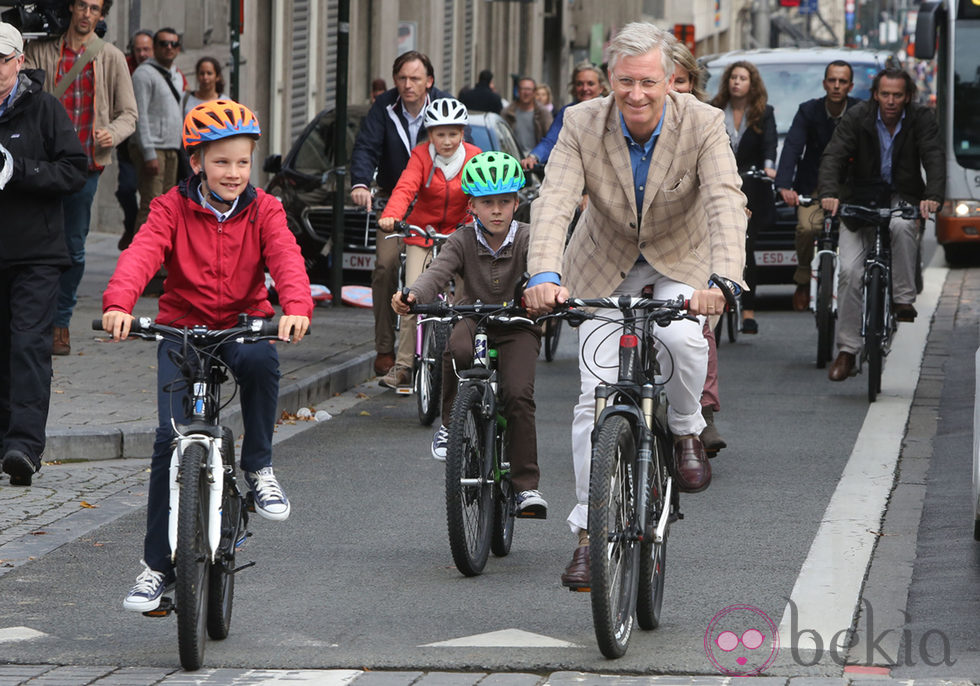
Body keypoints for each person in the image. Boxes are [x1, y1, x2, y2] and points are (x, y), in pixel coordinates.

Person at [522, 22, 747, 589]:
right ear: (610, 79)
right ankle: (588, 536)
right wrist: (544, 274)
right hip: (603, 261)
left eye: (649, 82)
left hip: (683, 259)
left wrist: (724, 281)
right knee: (590, 398)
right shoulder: (581, 122)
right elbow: (553, 200)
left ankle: (688, 427)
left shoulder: (703, 122)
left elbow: (724, 199)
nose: (637, 95)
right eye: (625, 82)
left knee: (679, 338)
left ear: (669, 78)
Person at [100, 99, 313, 611]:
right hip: (181, 329)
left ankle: (259, 468)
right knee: (166, 440)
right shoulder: (171, 207)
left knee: (263, 360)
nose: (233, 172)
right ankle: (155, 568)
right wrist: (118, 304)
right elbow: (142, 253)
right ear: (196, 162)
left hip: (242, 324)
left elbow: (286, 256)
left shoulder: (266, 209)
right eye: (221, 162)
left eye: (242, 162)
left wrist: (296, 307)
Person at [392, 152, 546, 515]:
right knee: (454, 350)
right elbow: (437, 273)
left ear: (516, 203)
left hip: (518, 325)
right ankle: (450, 424)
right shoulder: (461, 239)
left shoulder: (529, 238)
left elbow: (547, 270)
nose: (496, 210)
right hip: (472, 318)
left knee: (518, 394)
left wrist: (551, 294)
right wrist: (413, 295)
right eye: (487, 203)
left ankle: (526, 487)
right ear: (472, 205)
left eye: (504, 202)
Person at [0, 22, 88, 486]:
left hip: (36, 253)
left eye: (2, 60)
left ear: (19, 61)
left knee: (28, 347)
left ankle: (24, 447)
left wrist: (21, 170)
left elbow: (75, 170)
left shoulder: (45, 108)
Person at [24, 0, 137, 356]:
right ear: (71, 8)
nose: (87, 14)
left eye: (95, 9)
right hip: (40, 164)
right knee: (30, 244)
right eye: (83, 6)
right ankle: (32, 321)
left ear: (102, 15)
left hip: (84, 167)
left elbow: (129, 113)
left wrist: (112, 133)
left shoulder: (111, 57)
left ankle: (60, 322)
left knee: (72, 247)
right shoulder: (39, 51)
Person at [819, 67, 945, 382]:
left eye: (897, 96)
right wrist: (830, 194)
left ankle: (903, 299)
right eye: (885, 94)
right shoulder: (858, 117)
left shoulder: (921, 119)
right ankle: (847, 350)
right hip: (859, 199)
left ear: (907, 97)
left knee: (903, 227)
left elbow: (933, 156)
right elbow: (834, 155)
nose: (890, 101)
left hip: (902, 194)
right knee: (848, 271)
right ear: (876, 94)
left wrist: (932, 196)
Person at [349, 51, 451, 378]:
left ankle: (464, 343)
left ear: (429, 82)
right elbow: (366, 147)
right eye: (402, 79)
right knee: (385, 265)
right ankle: (384, 347)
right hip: (396, 203)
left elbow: (465, 154)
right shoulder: (384, 108)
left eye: (415, 79)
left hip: (439, 207)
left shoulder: (445, 108)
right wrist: (361, 183)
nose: (408, 85)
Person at [375, 98, 481, 389]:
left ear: (462, 133)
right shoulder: (421, 156)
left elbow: (481, 194)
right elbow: (406, 186)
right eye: (439, 133)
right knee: (411, 298)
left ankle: (464, 360)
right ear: (429, 134)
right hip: (423, 232)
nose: (446, 141)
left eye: (453, 133)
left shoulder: (474, 157)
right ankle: (404, 365)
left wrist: (477, 222)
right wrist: (392, 216)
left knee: (466, 301)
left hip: (462, 234)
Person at [669, 40, 726, 457]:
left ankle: (702, 414)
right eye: (663, 80)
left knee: (696, 329)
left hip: (694, 244)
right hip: (637, 251)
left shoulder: (707, 124)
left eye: (681, 81)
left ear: (693, 84)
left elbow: (724, 196)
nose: (672, 89)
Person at [775, 60, 860, 312]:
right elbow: (792, 147)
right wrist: (783, 185)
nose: (836, 86)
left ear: (850, 85)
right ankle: (803, 281)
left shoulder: (859, 111)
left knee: (855, 234)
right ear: (824, 83)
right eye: (832, 80)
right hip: (812, 186)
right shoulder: (808, 111)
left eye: (842, 81)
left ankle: (854, 284)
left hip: (850, 188)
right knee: (806, 228)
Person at [710, 60, 776, 335]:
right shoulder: (714, 110)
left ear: (752, 84)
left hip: (752, 188)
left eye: (743, 78)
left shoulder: (763, 112)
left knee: (747, 247)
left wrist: (770, 165)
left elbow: (770, 142)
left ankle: (748, 311)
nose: (737, 82)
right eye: (733, 77)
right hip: (722, 184)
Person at [128, 28, 185, 244]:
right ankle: (139, 262)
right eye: (163, 44)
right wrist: (149, 151)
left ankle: (159, 259)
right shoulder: (143, 74)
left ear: (178, 48)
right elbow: (139, 114)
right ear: (155, 47)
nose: (168, 48)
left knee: (167, 207)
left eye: (173, 44)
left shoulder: (177, 75)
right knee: (151, 206)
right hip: (153, 149)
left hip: (172, 147)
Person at [521, 62, 609, 170]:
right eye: (579, 84)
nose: (585, 88)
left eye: (590, 83)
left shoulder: (611, 111)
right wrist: (533, 157)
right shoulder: (567, 112)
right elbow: (551, 140)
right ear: (574, 88)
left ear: (601, 88)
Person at [114, 30, 153, 251]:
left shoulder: (164, 70)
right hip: (128, 143)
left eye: (146, 49)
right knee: (126, 189)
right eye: (138, 49)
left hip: (154, 144)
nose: (142, 54)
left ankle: (144, 242)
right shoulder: (124, 67)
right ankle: (131, 226)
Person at [502, 77, 553, 155]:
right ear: (518, 91)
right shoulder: (507, 112)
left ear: (534, 92)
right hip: (512, 158)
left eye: (529, 89)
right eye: (523, 89)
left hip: (536, 161)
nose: (526, 93)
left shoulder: (543, 113)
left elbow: (550, 139)